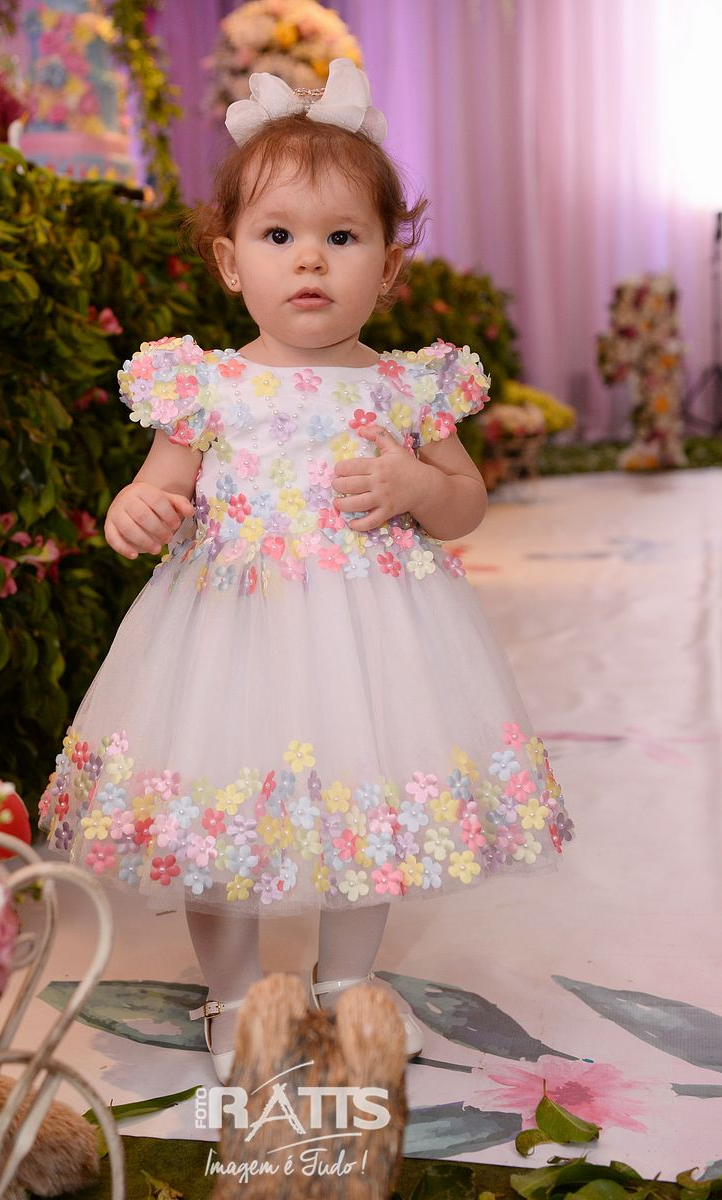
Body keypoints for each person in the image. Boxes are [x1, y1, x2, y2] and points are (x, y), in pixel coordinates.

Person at [39, 59, 574, 1084]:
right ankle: (236, 993)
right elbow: (156, 488)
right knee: (217, 809)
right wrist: (134, 511)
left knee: (364, 800)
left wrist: (416, 485)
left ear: (389, 265)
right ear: (229, 261)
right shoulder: (208, 385)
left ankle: (345, 983)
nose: (310, 261)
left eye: (342, 237)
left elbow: (464, 504)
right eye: (278, 236)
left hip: (373, 637)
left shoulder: (405, 389)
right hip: (228, 635)